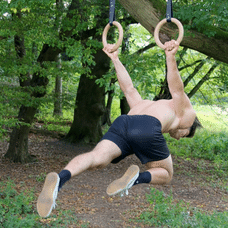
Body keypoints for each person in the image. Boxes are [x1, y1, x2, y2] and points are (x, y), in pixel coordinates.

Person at [37, 40, 202, 218]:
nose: (179, 137)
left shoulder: (143, 104)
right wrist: (170, 57)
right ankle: (136, 178)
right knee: (167, 174)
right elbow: (177, 90)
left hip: (124, 122)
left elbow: (128, 88)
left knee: (96, 158)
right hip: (147, 127)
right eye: (186, 134)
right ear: (190, 124)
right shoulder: (186, 113)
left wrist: (115, 58)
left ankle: (61, 177)